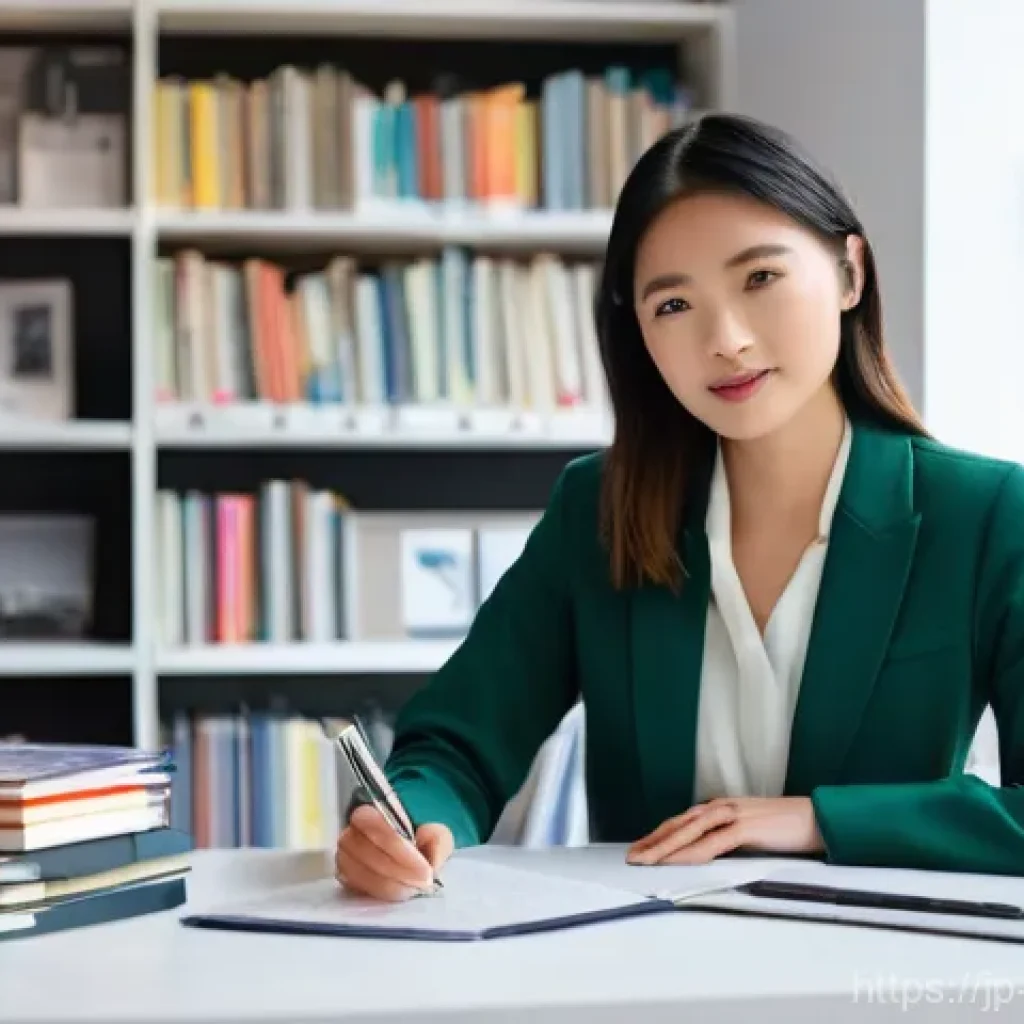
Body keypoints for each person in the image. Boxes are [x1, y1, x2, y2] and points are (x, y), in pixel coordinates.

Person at [336, 112, 1024, 902]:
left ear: (848, 273)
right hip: (648, 977)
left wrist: (816, 821)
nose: (725, 340)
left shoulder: (986, 513)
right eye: (672, 306)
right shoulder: (596, 509)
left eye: (760, 278)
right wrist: (405, 822)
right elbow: (455, 743)